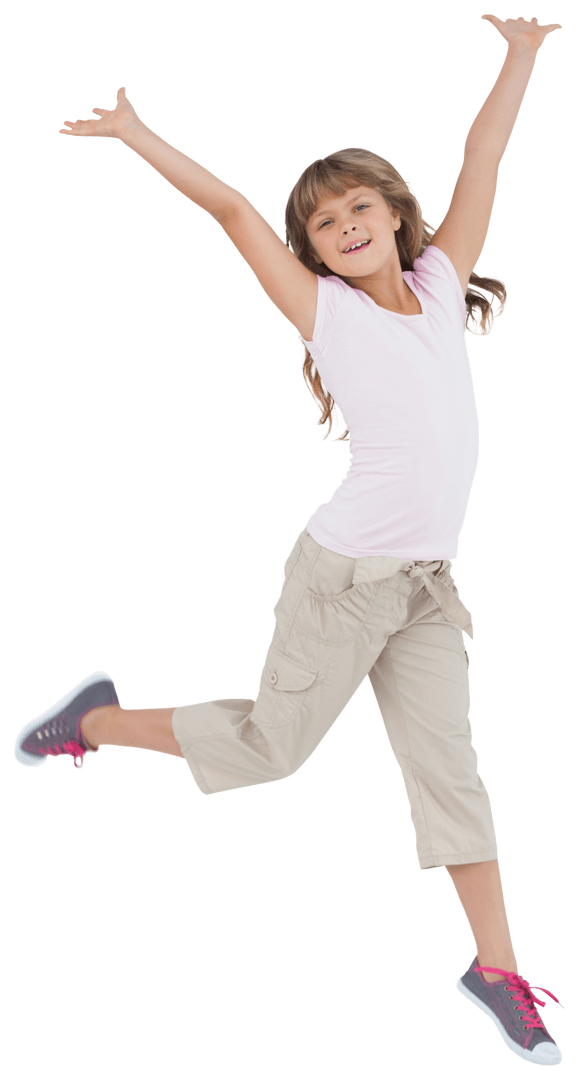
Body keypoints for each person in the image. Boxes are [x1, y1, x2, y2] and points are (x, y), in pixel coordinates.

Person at [14, 12, 566, 1068]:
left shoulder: (444, 283)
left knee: (455, 775)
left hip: (423, 587)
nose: (345, 226)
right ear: (309, 249)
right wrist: (139, 135)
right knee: (274, 752)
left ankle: (495, 970)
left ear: (399, 215)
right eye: (322, 223)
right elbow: (228, 207)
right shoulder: (324, 313)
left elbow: (484, 152)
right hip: (344, 578)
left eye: (360, 207)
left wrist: (525, 54)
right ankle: (96, 722)